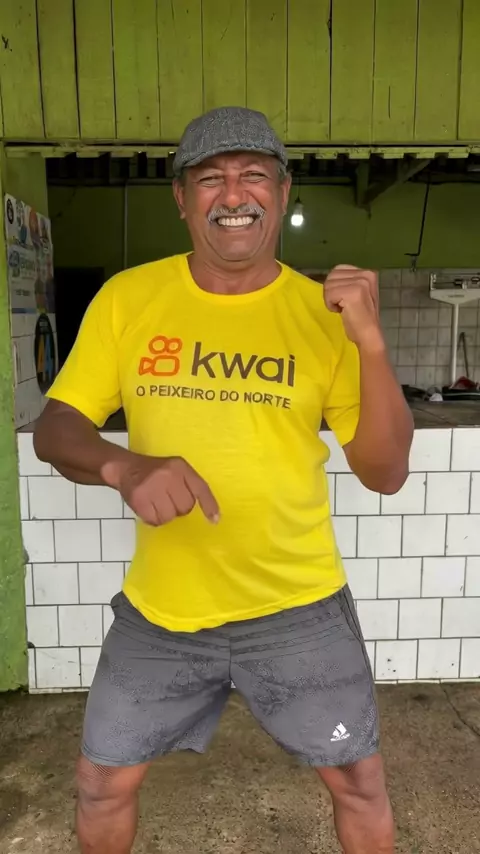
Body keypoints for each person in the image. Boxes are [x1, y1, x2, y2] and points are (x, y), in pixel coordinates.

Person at [34, 106, 413, 854]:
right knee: (100, 782)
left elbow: (386, 472)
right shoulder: (129, 299)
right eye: (210, 179)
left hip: (299, 608)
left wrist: (370, 344)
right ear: (181, 199)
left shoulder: (323, 315)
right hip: (162, 612)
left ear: (283, 191)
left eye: (253, 176)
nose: (233, 194)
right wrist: (122, 465)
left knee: (360, 783)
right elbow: (56, 428)